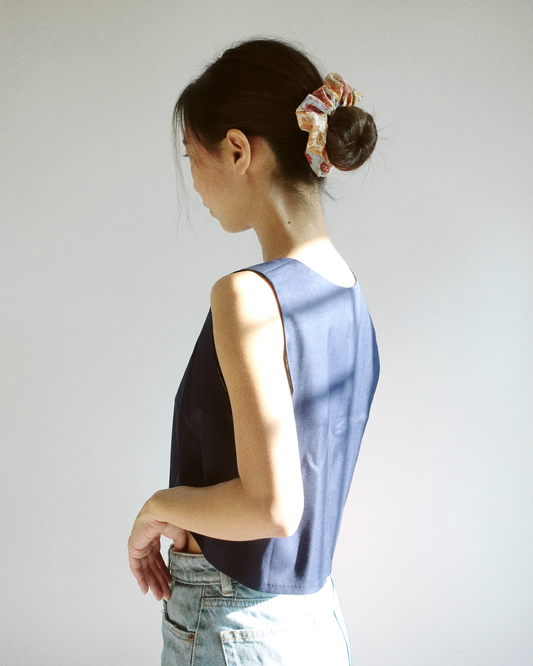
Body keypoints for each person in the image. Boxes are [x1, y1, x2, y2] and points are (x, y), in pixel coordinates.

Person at [128, 37, 380, 665]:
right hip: (314, 623)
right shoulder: (347, 293)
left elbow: (272, 507)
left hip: (235, 626)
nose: (193, 179)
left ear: (238, 150)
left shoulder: (247, 296)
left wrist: (158, 507)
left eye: (193, 155)